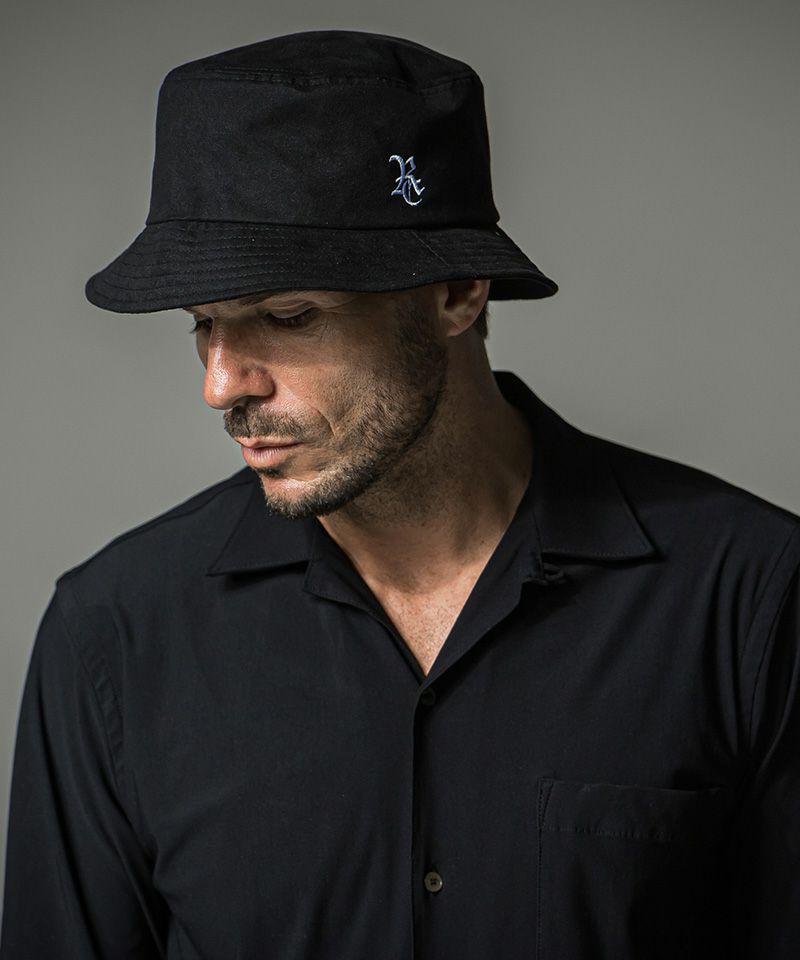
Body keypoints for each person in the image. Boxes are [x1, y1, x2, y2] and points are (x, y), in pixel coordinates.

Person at [1, 29, 798, 960]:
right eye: (204, 323)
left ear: (457, 290)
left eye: (288, 315)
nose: (222, 385)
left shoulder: (748, 598)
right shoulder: (116, 634)